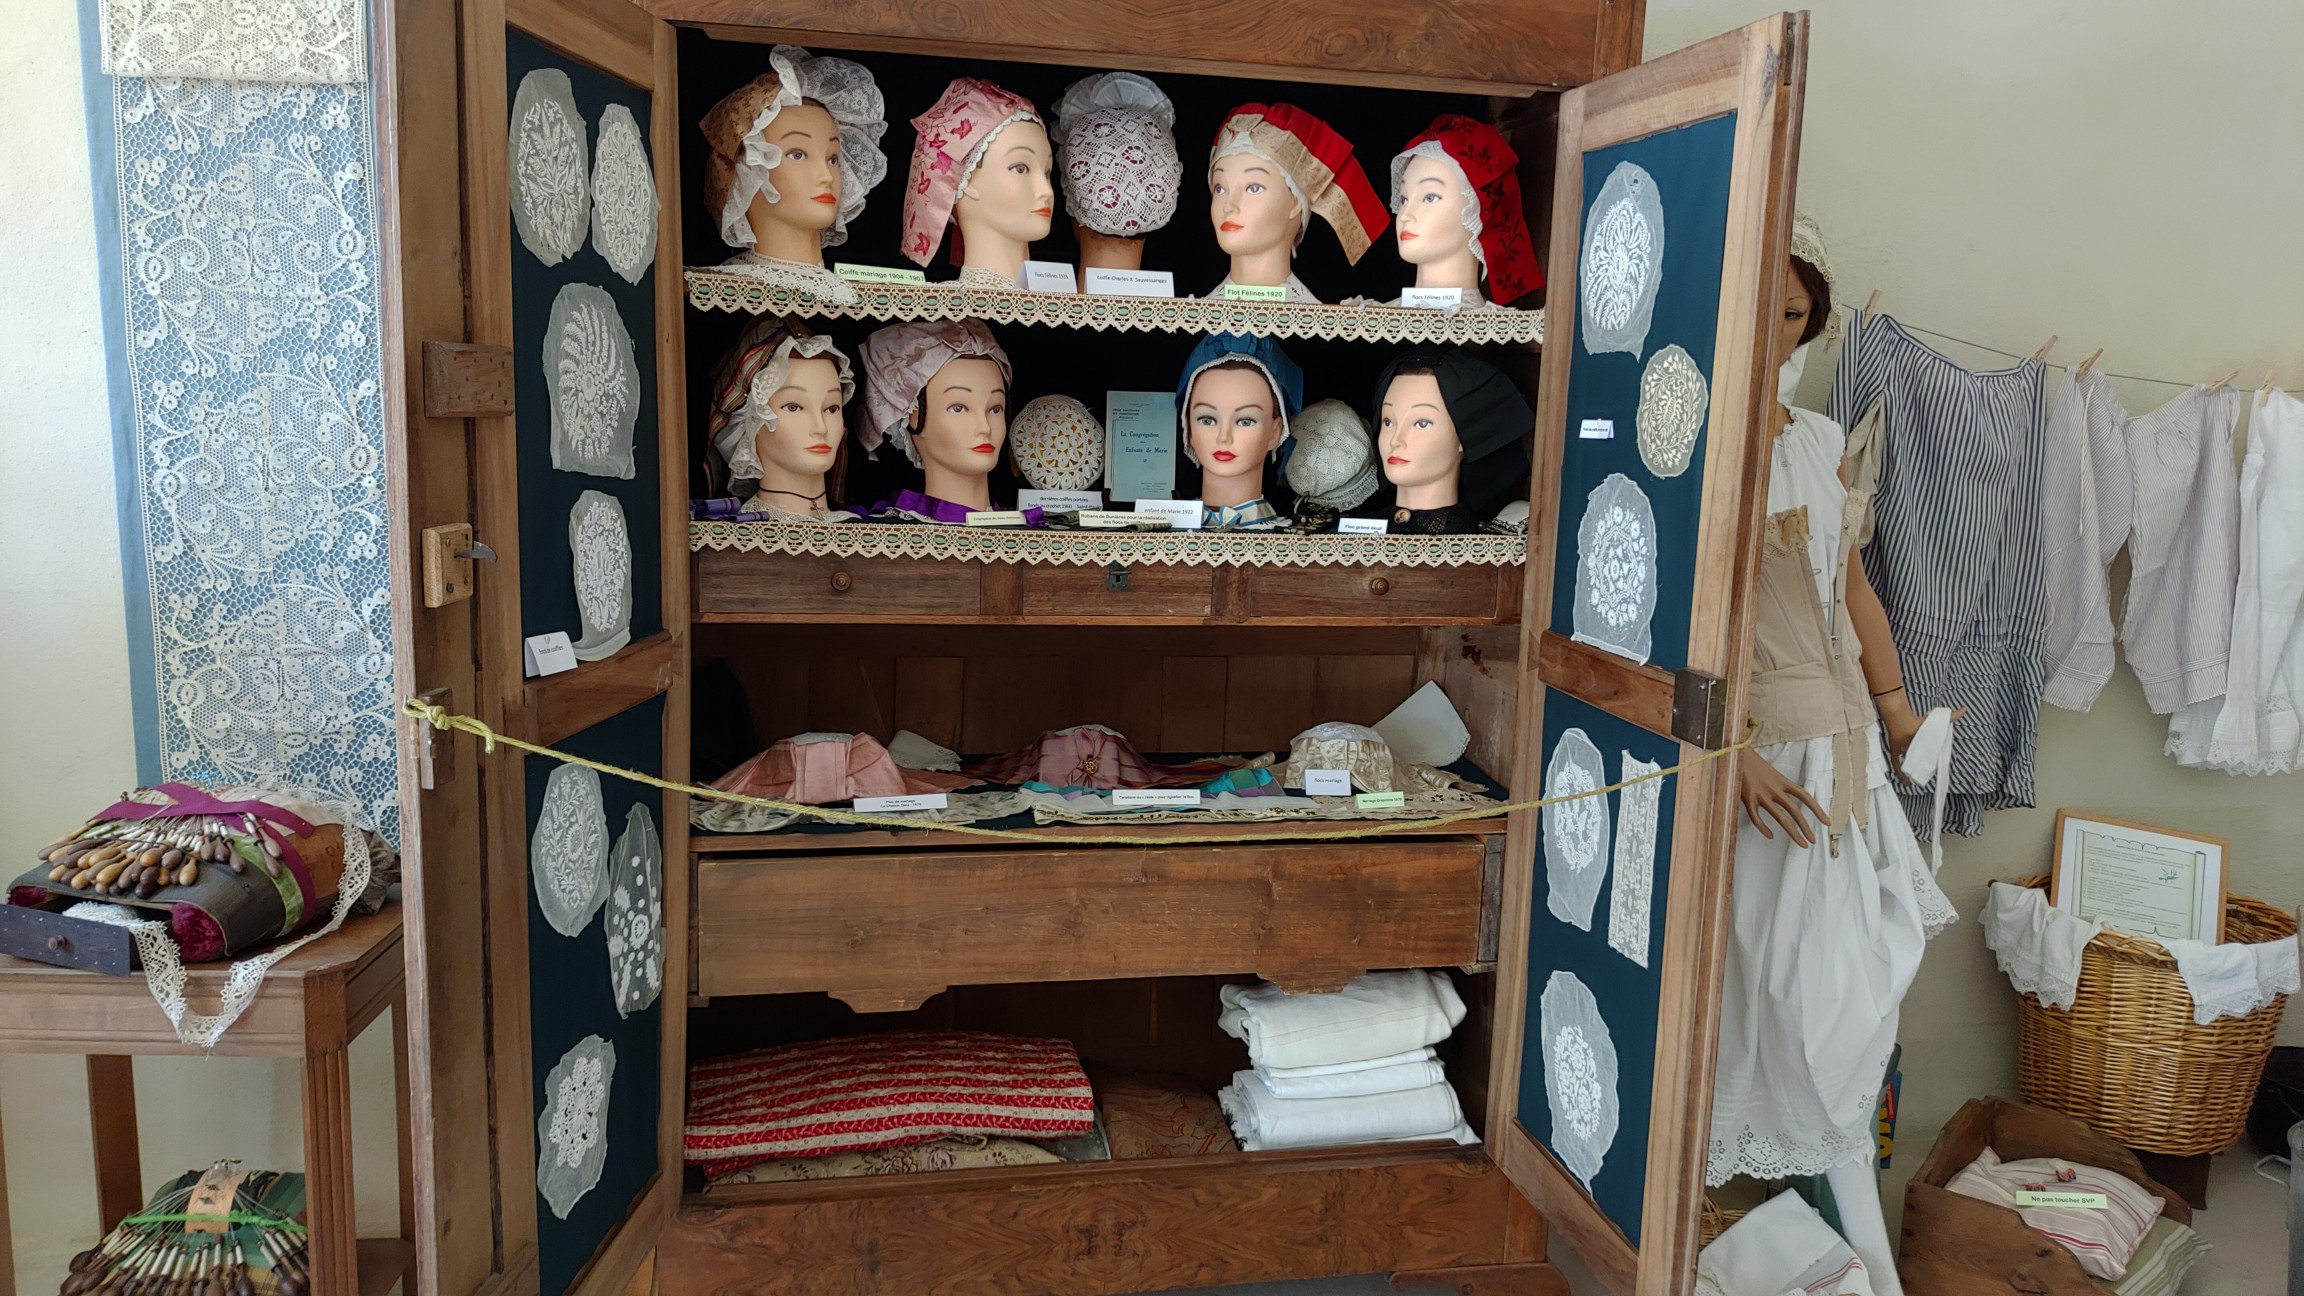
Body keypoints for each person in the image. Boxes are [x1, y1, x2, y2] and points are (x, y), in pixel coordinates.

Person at [1706, 216, 1956, 1296]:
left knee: (1845, 995)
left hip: (1845, 751)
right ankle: (1806, 1234)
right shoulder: (1689, 439)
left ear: (1810, 325)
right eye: (1759, 304)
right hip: (1761, 756)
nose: (1773, 330)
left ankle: (1836, 1240)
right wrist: (1726, 749)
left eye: (1794, 312)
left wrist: (1898, 716)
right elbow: (1665, 621)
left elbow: (1853, 589)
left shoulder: (1816, 438)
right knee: (1776, 987)